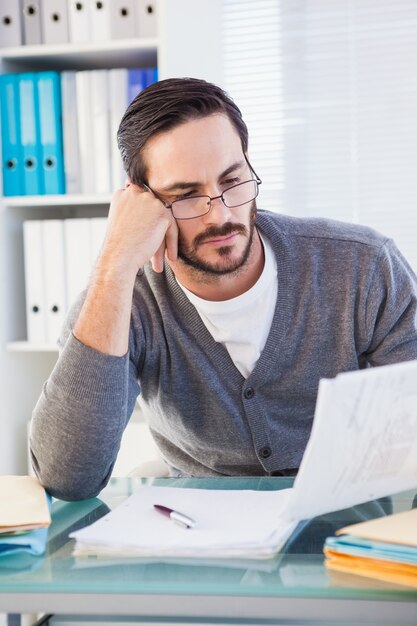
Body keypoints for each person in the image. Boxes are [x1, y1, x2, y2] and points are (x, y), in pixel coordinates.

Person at [30, 78, 417, 501]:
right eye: (187, 195)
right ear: (142, 203)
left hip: (342, 535)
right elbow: (67, 476)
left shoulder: (362, 268)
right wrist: (114, 262)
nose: (220, 215)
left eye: (232, 181)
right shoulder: (122, 297)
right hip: (196, 542)